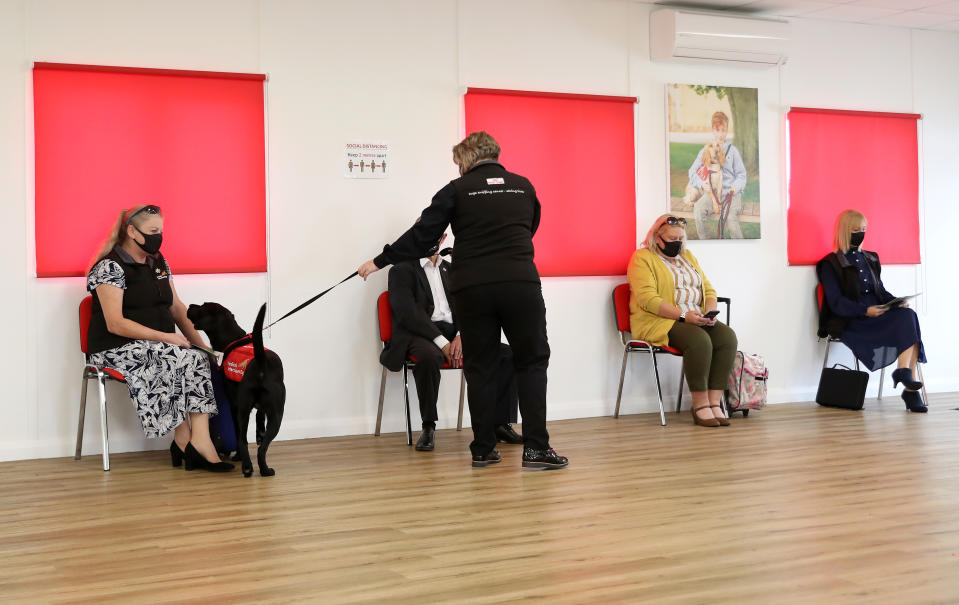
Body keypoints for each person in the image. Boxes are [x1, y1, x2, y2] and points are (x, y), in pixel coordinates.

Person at [359, 131, 567, 470]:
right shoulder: (524, 186)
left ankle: (483, 449)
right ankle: (537, 449)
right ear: (495, 155)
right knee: (531, 362)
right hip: (520, 284)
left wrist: (380, 260)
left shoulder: (456, 190)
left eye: (458, 163)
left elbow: (421, 235)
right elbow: (529, 227)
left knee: (480, 365)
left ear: (465, 159)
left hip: (473, 286)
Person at [85, 204, 233, 472]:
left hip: (159, 344)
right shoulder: (109, 267)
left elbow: (176, 307)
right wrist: (165, 337)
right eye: (153, 231)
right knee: (174, 358)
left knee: (196, 358)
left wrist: (204, 347)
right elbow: (115, 323)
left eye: (161, 231)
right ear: (131, 230)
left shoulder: (158, 262)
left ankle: (200, 441)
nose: (158, 237)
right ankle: (183, 439)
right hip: (115, 348)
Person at [381, 234, 523, 451]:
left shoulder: (453, 269)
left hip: (454, 334)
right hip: (420, 334)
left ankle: (500, 424)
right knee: (429, 357)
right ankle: (429, 425)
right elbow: (408, 314)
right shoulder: (401, 270)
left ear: (443, 237)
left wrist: (461, 337)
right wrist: (442, 343)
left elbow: (472, 307)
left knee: (507, 354)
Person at [626, 214, 738, 427]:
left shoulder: (688, 257)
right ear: (657, 238)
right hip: (660, 320)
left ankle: (715, 403)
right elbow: (648, 299)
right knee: (699, 341)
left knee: (727, 338)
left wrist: (710, 312)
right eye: (672, 239)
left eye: (681, 238)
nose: (677, 243)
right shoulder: (642, 259)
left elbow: (708, 288)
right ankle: (700, 405)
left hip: (695, 317)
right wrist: (683, 315)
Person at [816, 210, 928, 412]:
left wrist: (895, 302)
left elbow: (880, 291)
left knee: (908, 315)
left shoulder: (871, 258)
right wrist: (865, 310)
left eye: (864, 230)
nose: (861, 234)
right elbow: (836, 302)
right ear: (844, 231)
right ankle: (910, 392)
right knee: (908, 324)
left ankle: (904, 373)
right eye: (856, 230)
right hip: (852, 320)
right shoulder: (830, 263)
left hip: (877, 313)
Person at [687, 111, 747, 239]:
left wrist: (735, 187)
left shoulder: (733, 151)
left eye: (723, 130)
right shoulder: (706, 149)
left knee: (731, 219)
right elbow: (692, 171)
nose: (720, 134)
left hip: (732, 194)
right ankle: (707, 243)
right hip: (713, 194)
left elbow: (741, 175)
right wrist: (702, 184)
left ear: (727, 130)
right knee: (698, 209)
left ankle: (741, 249)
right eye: (717, 130)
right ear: (713, 130)